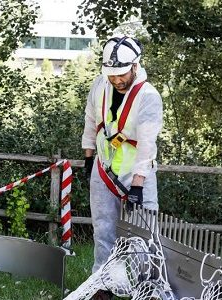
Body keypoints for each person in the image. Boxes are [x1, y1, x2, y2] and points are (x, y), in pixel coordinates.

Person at [81, 36, 163, 298]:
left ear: (135, 66)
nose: (117, 80)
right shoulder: (100, 85)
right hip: (103, 169)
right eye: (112, 74)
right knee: (103, 230)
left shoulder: (148, 96)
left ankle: (146, 289)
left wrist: (137, 186)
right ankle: (102, 287)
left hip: (137, 174)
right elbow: (91, 119)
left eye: (122, 74)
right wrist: (88, 156)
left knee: (144, 236)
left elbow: (147, 144)